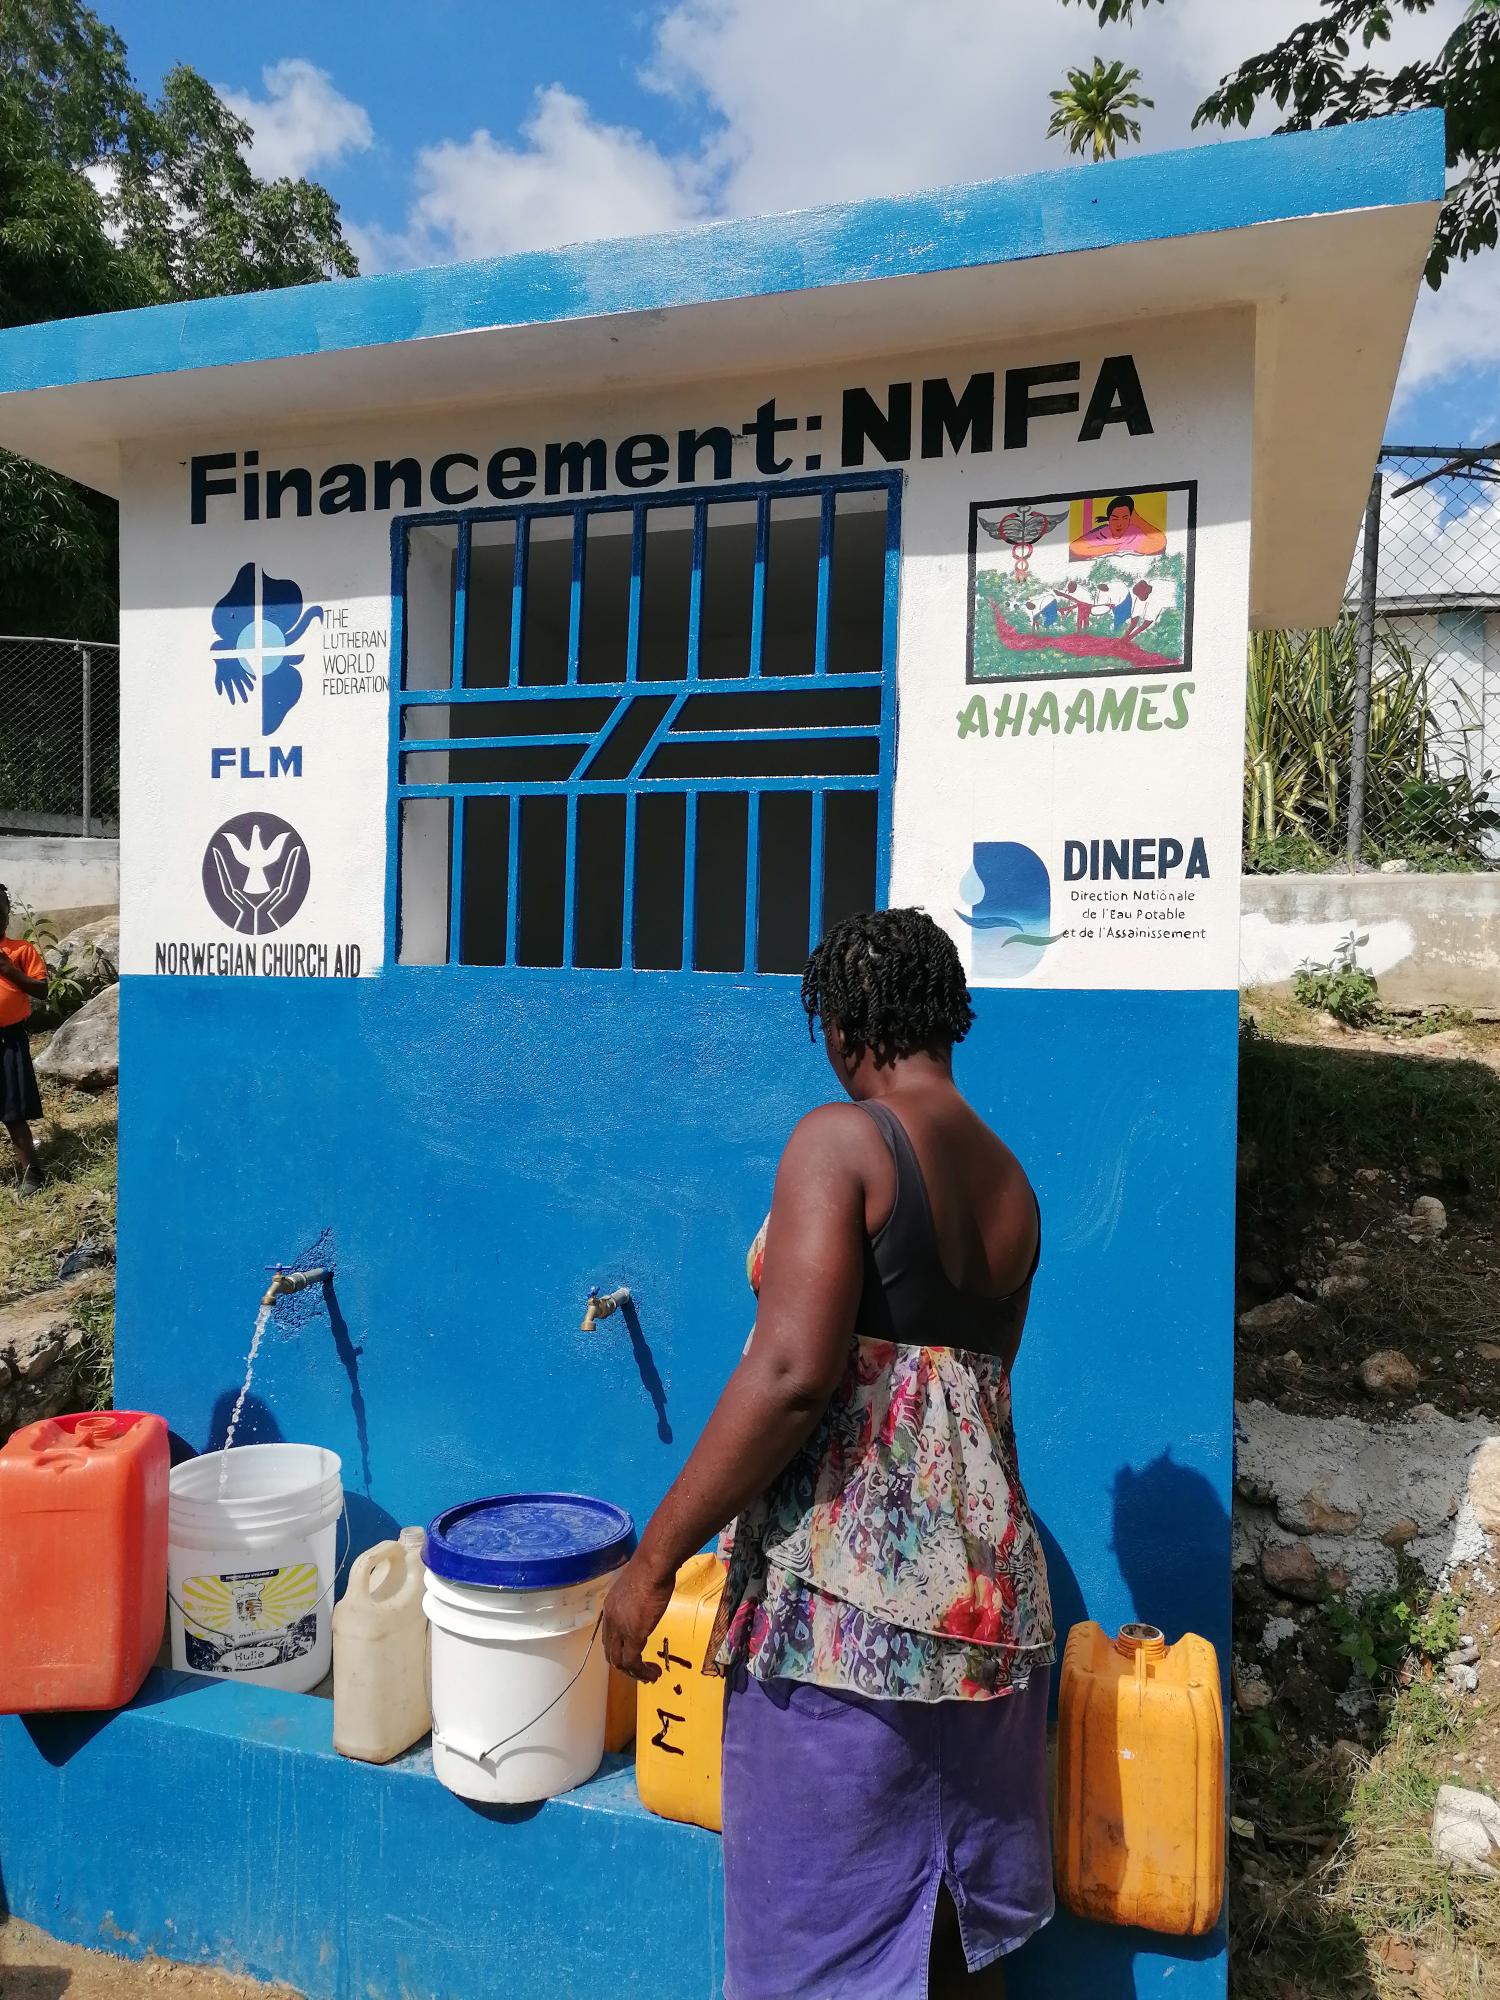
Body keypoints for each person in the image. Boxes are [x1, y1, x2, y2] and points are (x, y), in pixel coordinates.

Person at [604, 908, 1055, 2000]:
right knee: (957, 1936)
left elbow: (792, 1375)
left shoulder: (842, 1141)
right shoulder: (1011, 1186)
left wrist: (655, 1557)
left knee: (816, 1946)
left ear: (849, 1028)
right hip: (990, 1625)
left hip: (841, 1634)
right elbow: (962, 1408)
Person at [0, 884, 48, 1191]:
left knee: (12, 1110)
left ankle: (32, 1174)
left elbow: (42, 990)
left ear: (6, 917)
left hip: (8, 1041)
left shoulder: (20, 950)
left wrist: (10, 971)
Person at [1069, 492, 1166, 558]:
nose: (1119, 524)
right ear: (1109, 519)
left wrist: (1137, 519)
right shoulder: (1101, 533)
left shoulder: (1134, 534)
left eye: (1125, 518)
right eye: (1115, 518)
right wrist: (1114, 547)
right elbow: (1076, 547)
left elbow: (1159, 543)